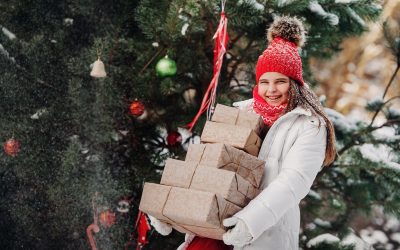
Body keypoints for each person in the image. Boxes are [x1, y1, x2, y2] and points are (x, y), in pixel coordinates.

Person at [149, 15, 337, 250]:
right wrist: (169, 206)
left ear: (295, 82)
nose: (271, 90)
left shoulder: (309, 124)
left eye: (280, 81)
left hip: (263, 234)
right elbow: (206, 165)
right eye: (264, 81)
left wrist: (249, 222)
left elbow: (293, 181)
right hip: (214, 227)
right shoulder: (241, 111)